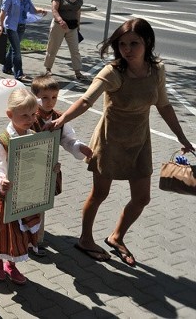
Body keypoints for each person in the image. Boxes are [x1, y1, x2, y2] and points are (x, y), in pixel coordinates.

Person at [50, 18, 194, 266]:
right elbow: (86, 101)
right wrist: (61, 119)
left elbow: (164, 105)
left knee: (142, 198)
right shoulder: (113, 73)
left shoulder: (156, 70)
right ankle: (85, 239)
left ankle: (116, 237)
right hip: (110, 141)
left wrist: (182, 137)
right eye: (122, 44)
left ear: (147, 42)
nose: (127, 49)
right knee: (100, 194)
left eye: (133, 43)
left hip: (140, 141)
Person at [0, 88, 52, 285]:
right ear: (10, 115)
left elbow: (38, 161)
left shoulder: (33, 134)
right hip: (5, 197)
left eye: (33, 114)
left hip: (25, 195)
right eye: (24, 115)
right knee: (2, 235)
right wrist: (0, 180)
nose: (30, 119)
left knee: (19, 235)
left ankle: (12, 264)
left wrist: (51, 166)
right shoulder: (2, 141)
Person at [29, 75, 92, 254]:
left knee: (40, 204)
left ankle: (36, 239)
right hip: (28, 166)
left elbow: (67, 140)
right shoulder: (28, 115)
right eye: (45, 98)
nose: (50, 102)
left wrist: (79, 147)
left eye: (54, 97)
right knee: (25, 203)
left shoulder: (59, 118)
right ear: (35, 97)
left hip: (47, 168)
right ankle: (23, 237)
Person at [0, 0, 48, 82]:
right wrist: (0, 26)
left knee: (13, 48)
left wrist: (41, 10)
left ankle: (6, 67)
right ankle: (19, 73)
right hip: (11, 26)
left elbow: (32, 10)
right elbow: (3, 12)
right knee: (17, 50)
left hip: (21, 26)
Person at [44, 0, 86, 80]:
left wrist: (78, 24)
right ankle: (48, 69)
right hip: (59, 26)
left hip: (72, 27)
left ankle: (77, 72)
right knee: (52, 48)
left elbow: (78, 11)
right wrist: (60, 20)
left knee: (75, 50)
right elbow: (54, 10)